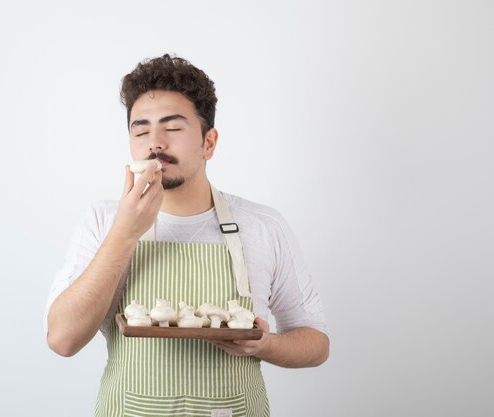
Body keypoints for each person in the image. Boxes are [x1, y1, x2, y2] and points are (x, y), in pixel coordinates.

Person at [45, 54, 329, 417]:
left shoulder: (262, 225)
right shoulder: (103, 221)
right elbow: (62, 340)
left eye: (173, 128)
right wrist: (124, 233)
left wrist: (263, 344)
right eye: (141, 130)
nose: (155, 143)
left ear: (208, 142)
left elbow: (316, 343)